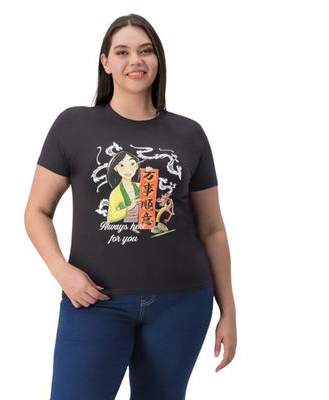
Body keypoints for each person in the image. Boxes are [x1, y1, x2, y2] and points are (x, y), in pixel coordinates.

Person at [24, 13, 237, 400]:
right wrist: (62, 271)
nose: (135, 61)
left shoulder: (190, 134)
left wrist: (229, 310)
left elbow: (212, 229)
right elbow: (37, 211)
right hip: (95, 301)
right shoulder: (73, 125)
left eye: (145, 51)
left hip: (182, 303)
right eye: (122, 52)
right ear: (105, 62)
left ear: (158, 59)